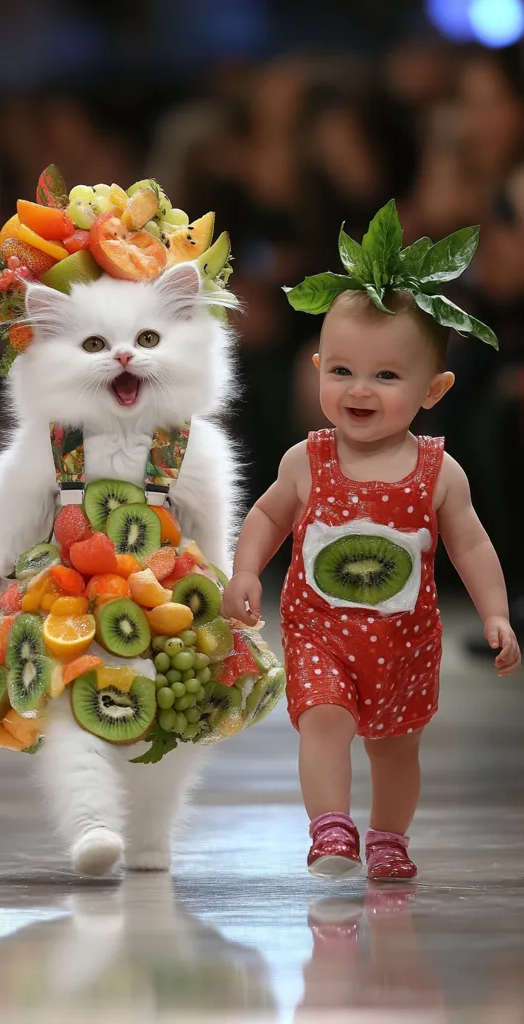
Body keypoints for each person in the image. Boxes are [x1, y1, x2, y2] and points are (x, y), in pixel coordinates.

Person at [222, 202, 521, 882]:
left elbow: (472, 547)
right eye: (343, 372)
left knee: (396, 752)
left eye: (387, 377)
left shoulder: (439, 472)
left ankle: (389, 835)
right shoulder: (307, 459)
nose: (360, 390)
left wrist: (496, 611)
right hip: (320, 630)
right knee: (321, 719)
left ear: (433, 388)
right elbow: (268, 517)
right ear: (319, 369)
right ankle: (330, 828)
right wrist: (245, 571)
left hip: (404, 642)